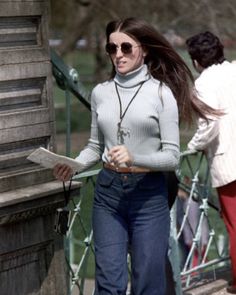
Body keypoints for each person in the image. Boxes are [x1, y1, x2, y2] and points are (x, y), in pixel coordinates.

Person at [53, 18, 219, 295]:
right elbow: (95, 146)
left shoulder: (161, 94)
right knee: (108, 283)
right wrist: (74, 165)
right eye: (112, 48)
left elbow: (172, 157)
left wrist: (135, 157)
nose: (118, 54)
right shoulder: (100, 93)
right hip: (107, 195)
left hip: (148, 196)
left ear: (144, 50)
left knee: (148, 283)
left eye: (126, 47)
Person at [186, 31, 236, 294]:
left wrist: (192, 146)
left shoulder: (203, 84)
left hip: (229, 163)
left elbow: (210, 125)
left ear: (195, 61)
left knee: (235, 225)